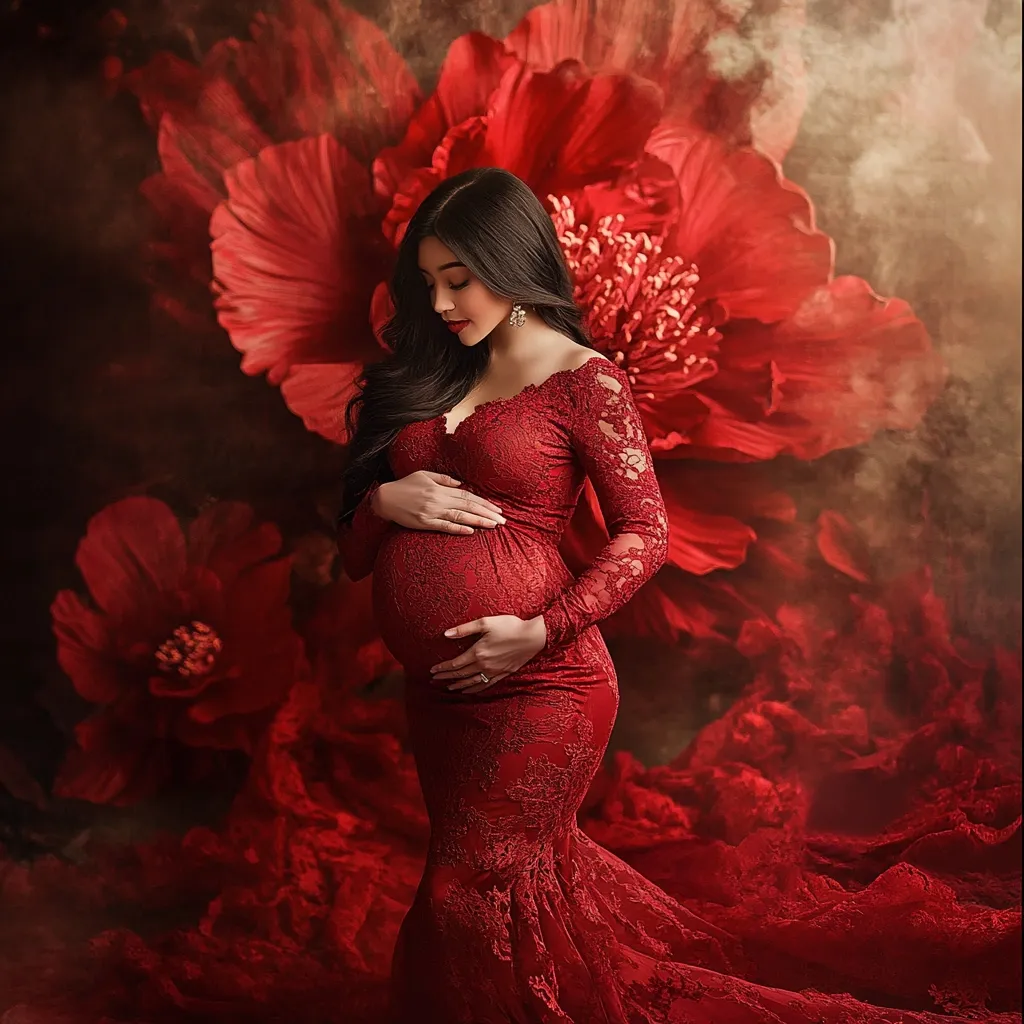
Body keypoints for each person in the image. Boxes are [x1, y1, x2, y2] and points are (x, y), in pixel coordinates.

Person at [336, 168, 1009, 1024]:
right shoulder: (427, 379)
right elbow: (358, 555)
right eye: (427, 283)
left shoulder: (588, 384)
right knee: (509, 886)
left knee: (463, 890)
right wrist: (385, 501)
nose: (437, 304)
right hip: (440, 696)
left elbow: (646, 535)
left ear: (510, 262)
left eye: (456, 280)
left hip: (544, 685)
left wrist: (539, 633)